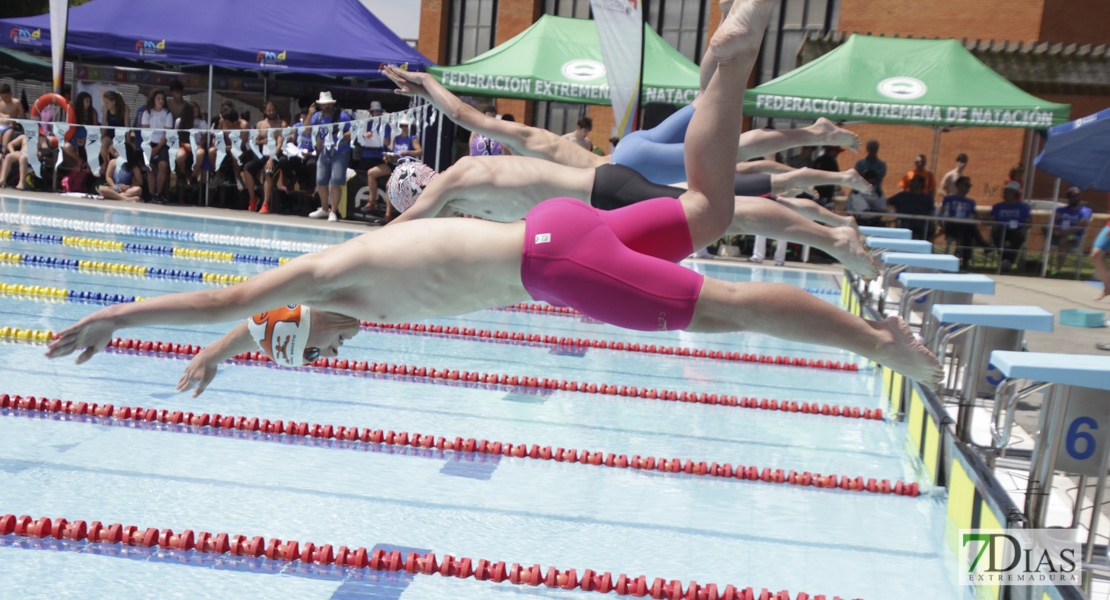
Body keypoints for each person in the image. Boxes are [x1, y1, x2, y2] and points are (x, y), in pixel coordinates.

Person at [46, 0, 941, 395]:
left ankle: (878, 347)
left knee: (731, 310)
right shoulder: (340, 287)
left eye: (314, 353)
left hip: (557, 262)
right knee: (710, 210)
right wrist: (219, 358)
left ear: (308, 320)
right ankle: (730, 64)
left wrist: (118, 318)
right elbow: (254, 320)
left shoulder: (329, 277)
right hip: (559, 223)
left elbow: (231, 300)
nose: (331, 353)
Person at [384, 67, 859, 187]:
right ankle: (725, 20)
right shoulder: (535, 139)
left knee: (729, 148)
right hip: (633, 145)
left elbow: (465, 114)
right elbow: (471, 118)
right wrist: (426, 88)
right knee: (708, 100)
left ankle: (814, 134)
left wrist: (427, 84)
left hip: (630, 165)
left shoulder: (523, 156)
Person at [307, 92, 352, 222]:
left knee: (336, 182)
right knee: (320, 182)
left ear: (332, 104)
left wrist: (342, 135)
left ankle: (333, 211)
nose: (326, 106)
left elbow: (353, 131)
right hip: (325, 153)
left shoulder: (342, 116)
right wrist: (310, 114)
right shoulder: (317, 116)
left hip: (340, 152)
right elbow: (306, 130)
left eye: (328, 104)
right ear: (320, 105)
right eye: (324, 104)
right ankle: (324, 208)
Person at [249, 100, 286, 213]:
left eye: (273, 110)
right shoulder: (260, 124)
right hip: (262, 154)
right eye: (269, 110)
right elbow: (255, 140)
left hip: (275, 155)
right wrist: (263, 140)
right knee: (247, 168)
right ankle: (253, 198)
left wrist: (271, 159)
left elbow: (280, 143)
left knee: (268, 172)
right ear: (265, 111)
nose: (271, 112)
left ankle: (265, 204)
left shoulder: (281, 123)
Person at [938, 176, 981, 270]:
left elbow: (974, 216)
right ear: (959, 185)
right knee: (968, 230)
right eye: (967, 185)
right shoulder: (949, 199)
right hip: (951, 226)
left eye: (970, 186)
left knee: (967, 231)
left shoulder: (971, 202)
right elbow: (944, 213)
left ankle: (964, 258)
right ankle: (980, 244)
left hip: (966, 228)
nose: (968, 188)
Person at [990, 180, 1032, 270]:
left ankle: (1006, 261)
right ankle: (1007, 261)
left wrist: (1024, 229)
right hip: (1001, 228)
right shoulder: (998, 206)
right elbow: (991, 219)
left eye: (1007, 191)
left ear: (1014, 193)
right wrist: (994, 225)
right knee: (998, 235)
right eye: (1005, 190)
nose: (1005, 193)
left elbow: (1029, 222)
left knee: (1019, 237)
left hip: (1016, 229)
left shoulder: (1023, 207)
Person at [141, 87, 174, 204]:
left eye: (162, 99)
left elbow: (166, 134)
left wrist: (157, 148)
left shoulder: (168, 114)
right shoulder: (147, 112)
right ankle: (150, 194)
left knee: (163, 166)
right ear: (153, 99)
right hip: (149, 143)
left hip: (162, 144)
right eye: (158, 98)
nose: (161, 101)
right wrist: (150, 147)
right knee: (150, 168)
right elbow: (145, 131)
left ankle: (158, 194)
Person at [1052, 186, 1093, 275]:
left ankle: (1058, 270)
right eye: (1070, 196)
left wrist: (1066, 232)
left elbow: (1081, 224)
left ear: (1079, 197)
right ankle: (1036, 267)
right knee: (1045, 227)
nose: (1072, 198)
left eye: (1075, 196)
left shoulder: (1085, 210)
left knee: (1064, 240)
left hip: (1074, 237)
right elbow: (1053, 221)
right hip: (1058, 234)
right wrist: (1055, 230)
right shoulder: (1061, 210)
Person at [888, 175, 935, 241]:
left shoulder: (928, 198)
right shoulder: (903, 195)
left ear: (920, 184)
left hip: (921, 223)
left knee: (928, 227)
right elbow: (887, 201)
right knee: (905, 226)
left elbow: (931, 212)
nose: (911, 182)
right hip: (905, 221)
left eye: (913, 181)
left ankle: (923, 249)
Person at [98, 90, 129, 178]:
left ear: (113, 102)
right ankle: (105, 162)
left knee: (112, 148)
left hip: (120, 135)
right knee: (103, 146)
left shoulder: (124, 109)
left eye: (107, 102)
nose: (105, 104)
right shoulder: (106, 108)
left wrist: (128, 141)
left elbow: (127, 126)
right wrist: (100, 137)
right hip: (110, 134)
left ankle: (119, 165)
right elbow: (104, 124)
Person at [0, 83, 25, 150]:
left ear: (10, 94)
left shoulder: (16, 103)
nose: (4, 99)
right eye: (2, 97)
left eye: (6, 97)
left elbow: (23, 118)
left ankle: (3, 155)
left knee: (4, 148)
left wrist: (23, 129)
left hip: (9, 128)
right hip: (0, 125)